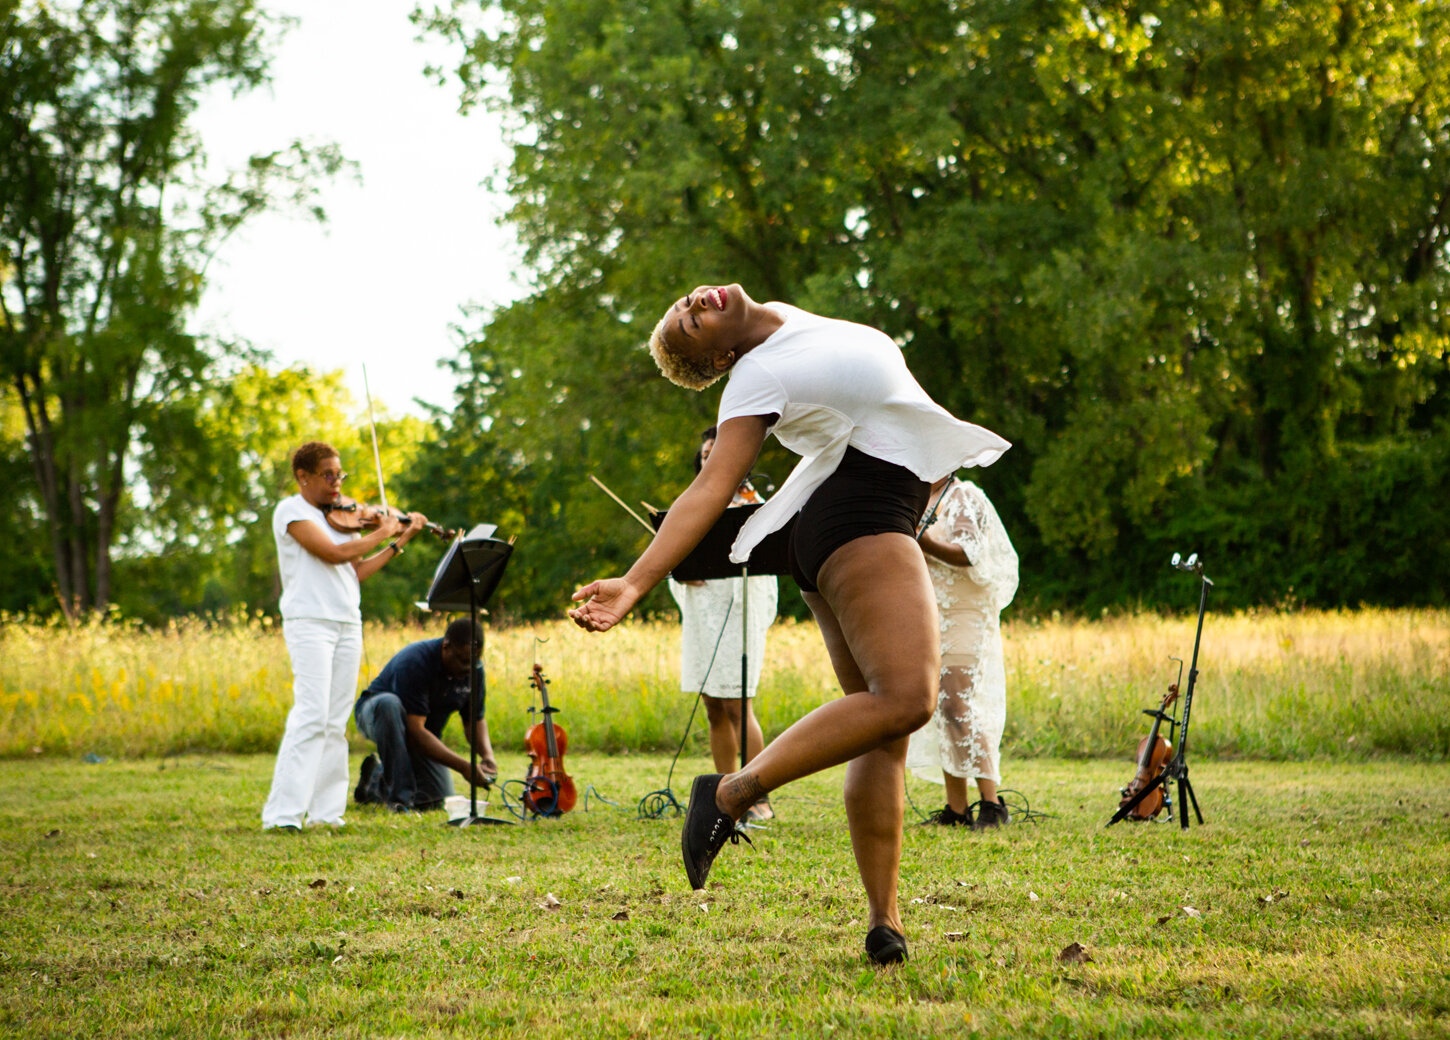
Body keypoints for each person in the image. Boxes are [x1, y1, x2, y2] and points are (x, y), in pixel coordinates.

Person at [569, 283, 1009, 964]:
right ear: (719, 361)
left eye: (685, 301)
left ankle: (884, 922)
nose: (693, 303)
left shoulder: (791, 325)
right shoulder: (754, 377)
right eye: (690, 321)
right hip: (856, 514)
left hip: (847, 516)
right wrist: (635, 581)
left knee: (880, 724)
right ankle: (734, 790)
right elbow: (710, 487)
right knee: (909, 700)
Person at [260, 441, 426, 831]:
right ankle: (282, 816)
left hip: (346, 622)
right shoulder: (291, 512)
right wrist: (383, 529)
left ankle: (326, 813)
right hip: (309, 622)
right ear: (303, 477)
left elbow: (354, 571)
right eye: (328, 475)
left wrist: (399, 541)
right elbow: (333, 555)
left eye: (340, 475)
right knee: (311, 715)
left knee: (335, 722)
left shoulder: (342, 518)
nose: (337, 483)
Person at [667, 426, 779, 824]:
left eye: (715, 452)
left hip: (737, 612)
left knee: (737, 702)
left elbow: (765, 565)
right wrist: (681, 572)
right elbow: (674, 553)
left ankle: (757, 794)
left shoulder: (754, 502)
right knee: (713, 704)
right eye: (703, 454)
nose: (707, 459)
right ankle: (724, 792)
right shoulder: (691, 503)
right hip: (702, 612)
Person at [905, 478, 1019, 828]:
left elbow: (969, 553)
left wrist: (921, 541)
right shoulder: (921, 497)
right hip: (933, 611)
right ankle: (956, 810)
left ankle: (992, 804)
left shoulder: (963, 495)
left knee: (958, 701)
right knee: (940, 706)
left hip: (965, 612)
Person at [353, 618, 498, 812]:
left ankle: (373, 781)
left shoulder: (474, 671)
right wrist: (464, 766)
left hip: (422, 731)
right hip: (376, 715)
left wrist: (487, 757)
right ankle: (399, 801)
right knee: (389, 704)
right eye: (463, 661)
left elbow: (474, 720)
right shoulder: (415, 661)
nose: (468, 668)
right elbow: (414, 731)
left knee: (436, 797)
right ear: (446, 647)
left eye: (474, 662)